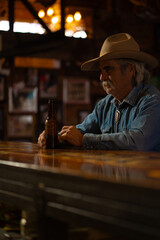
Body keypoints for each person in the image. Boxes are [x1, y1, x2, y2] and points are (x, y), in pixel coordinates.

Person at [38, 32, 160, 151]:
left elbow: (138, 142)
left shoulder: (152, 101)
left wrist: (84, 140)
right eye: (101, 71)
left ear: (130, 69)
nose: (102, 78)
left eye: (108, 70)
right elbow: (80, 131)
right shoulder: (105, 105)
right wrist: (54, 137)